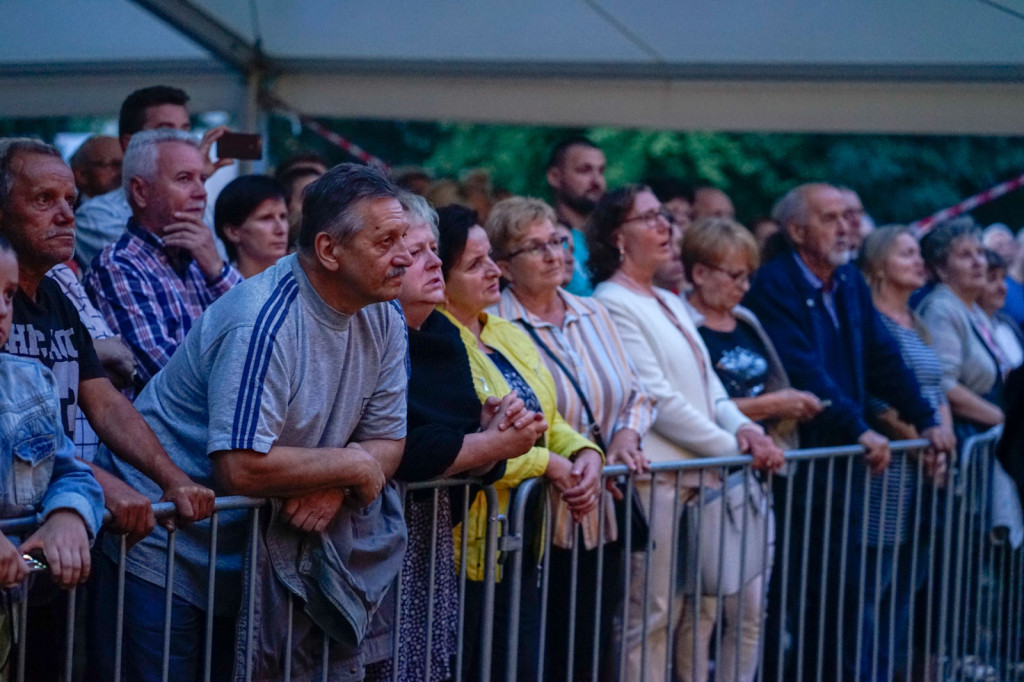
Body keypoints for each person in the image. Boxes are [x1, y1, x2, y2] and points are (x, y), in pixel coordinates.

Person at [89, 162, 413, 680]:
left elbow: (387, 441)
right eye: (386, 241)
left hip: (248, 558)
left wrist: (339, 482)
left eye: (406, 238)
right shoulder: (261, 321)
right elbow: (239, 469)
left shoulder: (385, 311)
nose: (405, 258)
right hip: (163, 547)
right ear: (329, 251)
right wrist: (350, 466)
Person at [743, 183, 950, 682]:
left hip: (846, 469)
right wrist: (858, 428)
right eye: (831, 218)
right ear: (796, 231)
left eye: (848, 216)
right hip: (798, 468)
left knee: (842, 601)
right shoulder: (775, 285)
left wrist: (926, 418)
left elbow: (883, 358)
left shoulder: (851, 283)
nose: (847, 226)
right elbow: (803, 370)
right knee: (791, 601)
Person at [588, 185, 784, 682]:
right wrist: (735, 449)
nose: (665, 227)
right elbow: (659, 399)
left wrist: (748, 435)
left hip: (699, 477)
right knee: (650, 617)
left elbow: (711, 389)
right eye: (649, 218)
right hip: (658, 483)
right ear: (618, 236)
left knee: (692, 614)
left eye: (663, 217)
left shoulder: (670, 301)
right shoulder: (612, 301)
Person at [365, 193, 546, 682]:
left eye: (432, 250)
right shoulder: (370, 332)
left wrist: (491, 431)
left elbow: (452, 432)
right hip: (371, 544)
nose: (432, 263)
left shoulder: (442, 333)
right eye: (417, 252)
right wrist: (494, 444)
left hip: (431, 537)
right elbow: (401, 446)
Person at [0, 137, 213, 548]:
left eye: (70, 200)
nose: (66, 215)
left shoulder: (56, 297)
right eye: (44, 199)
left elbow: (107, 404)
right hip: (14, 530)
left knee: (42, 593)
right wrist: (103, 485)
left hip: (49, 533)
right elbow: (22, 437)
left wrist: (175, 480)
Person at [485, 196, 656, 680]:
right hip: (533, 518)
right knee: (538, 651)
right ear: (502, 266)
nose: (554, 254)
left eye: (559, 241)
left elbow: (637, 394)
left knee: (592, 645)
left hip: (603, 509)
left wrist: (624, 440)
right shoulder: (494, 325)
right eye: (535, 247)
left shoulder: (594, 312)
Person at [435, 203, 603, 681]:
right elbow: (467, 448)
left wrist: (583, 452)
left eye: (491, 257)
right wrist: (546, 463)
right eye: (475, 264)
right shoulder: (437, 342)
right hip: (459, 546)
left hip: (521, 542)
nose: (493, 271)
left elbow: (546, 418)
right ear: (437, 274)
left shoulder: (506, 332)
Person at [0, 234, 105, 678]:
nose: (3, 309)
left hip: (15, 618)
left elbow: (71, 473)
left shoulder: (30, 382)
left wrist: (69, 516)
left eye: (7, 295)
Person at [857, 225, 957, 680]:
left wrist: (942, 439)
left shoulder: (915, 321)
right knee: (872, 587)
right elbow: (875, 397)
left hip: (926, 471)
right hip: (889, 472)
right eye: (906, 254)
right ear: (879, 265)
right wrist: (919, 444)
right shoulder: (871, 322)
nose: (919, 261)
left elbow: (936, 390)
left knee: (906, 587)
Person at [84, 129, 242, 394]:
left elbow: (265, 333)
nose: (201, 192)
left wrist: (217, 271)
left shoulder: (202, 258)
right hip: (165, 432)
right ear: (140, 192)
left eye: (202, 179)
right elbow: (168, 376)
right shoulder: (118, 267)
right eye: (184, 179)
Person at [682, 217, 822, 450]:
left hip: (762, 461)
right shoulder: (679, 324)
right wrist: (771, 405)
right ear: (700, 273)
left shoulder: (746, 319)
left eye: (748, 277)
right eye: (735, 276)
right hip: (713, 461)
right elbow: (692, 408)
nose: (745, 287)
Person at [74, 84, 230, 269]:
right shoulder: (96, 215)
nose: (181, 140)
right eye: (167, 132)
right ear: (131, 143)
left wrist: (192, 174)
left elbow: (219, 272)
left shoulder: (199, 205)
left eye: (185, 130)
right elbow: (151, 274)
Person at [918, 218, 1005, 438]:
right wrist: (1004, 419)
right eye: (965, 255)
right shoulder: (942, 310)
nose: (978, 262)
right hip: (967, 438)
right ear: (941, 268)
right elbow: (944, 385)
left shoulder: (973, 310)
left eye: (980, 253)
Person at [546, 136, 607, 295]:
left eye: (601, 171)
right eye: (584, 170)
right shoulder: (547, 240)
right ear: (555, 177)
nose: (597, 181)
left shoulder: (610, 239)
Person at [213, 174, 289, 278]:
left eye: (283, 217)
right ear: (233, 232)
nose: (281, 230)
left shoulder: (300, 286)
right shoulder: (218, 290)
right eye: (266, 218)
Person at [69, 135, 123, 206]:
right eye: (115, 165)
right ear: (81, 174)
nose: (122, 172)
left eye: (126, 164)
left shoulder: (136, 212)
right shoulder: (66, 213)